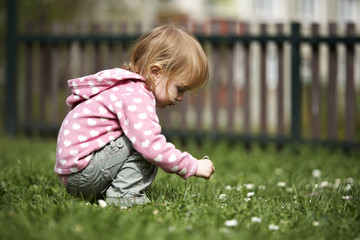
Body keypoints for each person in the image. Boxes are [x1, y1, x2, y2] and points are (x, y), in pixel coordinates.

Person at [54, 25, 215, 207]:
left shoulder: (125, 87)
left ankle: (110, 193)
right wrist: (192, 166)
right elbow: (151, 146)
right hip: (83, 173)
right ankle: (124, 197)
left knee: (143, 139)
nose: (180, 98)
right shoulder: (136, 94)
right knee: (148, 144)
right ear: (156, 72)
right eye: (180, 89)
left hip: (74, 175)